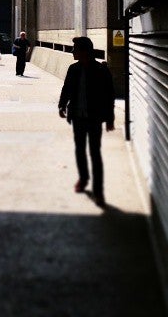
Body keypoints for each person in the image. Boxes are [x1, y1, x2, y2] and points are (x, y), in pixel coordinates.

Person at [58, 36, 115, 208]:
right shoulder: (73, 69)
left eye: (75, 48)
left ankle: (98, 192)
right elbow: (66, 88)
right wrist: (62, 105)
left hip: (94, 117)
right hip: (77, 116)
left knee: (95, 153)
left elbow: (109, 95)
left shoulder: (100, 69)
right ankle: (83, 179)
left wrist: (110, 118)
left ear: (84, 51)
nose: (72, 51)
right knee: (80, 150)